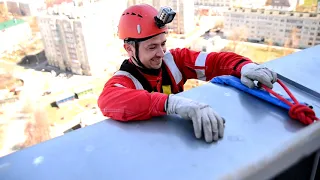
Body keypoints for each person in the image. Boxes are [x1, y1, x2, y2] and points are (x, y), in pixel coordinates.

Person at [98, 4, 277, 143]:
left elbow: (214, 62)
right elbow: (108, 101)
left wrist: (244, 66)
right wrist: (173, 103)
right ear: (129, 49)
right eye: (152, 47)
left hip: (183, 138)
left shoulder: (174, 61)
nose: (161, 53)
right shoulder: (124, 80)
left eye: (163, 43)